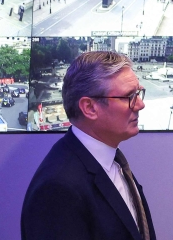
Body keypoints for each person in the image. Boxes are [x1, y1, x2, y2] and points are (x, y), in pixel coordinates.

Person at [21, 51, 156, 240]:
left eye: (138, 93)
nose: (140, 104)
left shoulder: (112, 159)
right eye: (129, 96)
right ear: (90, 108)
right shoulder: (58, 189)